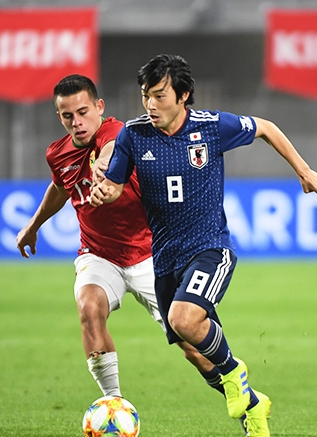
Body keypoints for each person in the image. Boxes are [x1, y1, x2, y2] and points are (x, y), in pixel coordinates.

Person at [90, 54, 317, 437]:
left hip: (209, 248)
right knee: (192, 349)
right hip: (164, 259)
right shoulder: (133, 135)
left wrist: (303, 169)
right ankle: (252, 406)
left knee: (185, 320)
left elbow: (266, 128)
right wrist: (105, 192)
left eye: (160, 96)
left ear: (183, 96)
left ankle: (235, 373)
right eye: (146, 96)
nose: (151, 105)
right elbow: (115, 185)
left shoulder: (212, 127)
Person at [15, 74, 225, 403]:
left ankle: (241, 398)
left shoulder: (120, 133)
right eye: (68, 116)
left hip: (152, 256)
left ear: (99, 107)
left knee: (194, 349)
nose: (77, 122)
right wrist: (34, 224)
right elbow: (61, 187)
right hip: (99, 255)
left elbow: (112, 146)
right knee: (89, 306)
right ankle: (113, 405)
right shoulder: (57, 154)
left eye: (83, 112)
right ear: (59, 117)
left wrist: (106, 165)